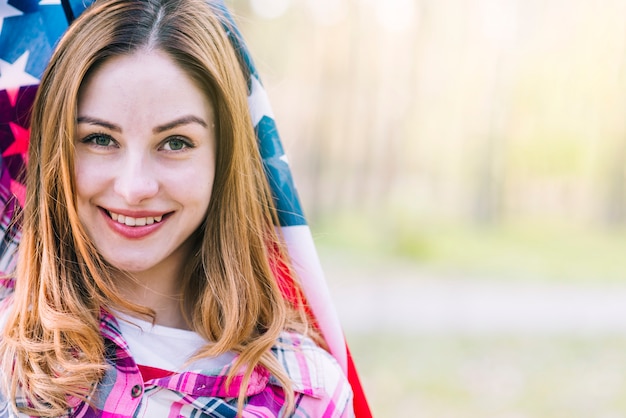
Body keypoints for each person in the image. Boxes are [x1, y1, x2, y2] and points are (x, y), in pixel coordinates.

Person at [0, 0, 354, 416]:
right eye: (99, 138)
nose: (134, 188)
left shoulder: (304, 393)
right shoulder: (10, 359)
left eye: (175, 143)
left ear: (223, 159)